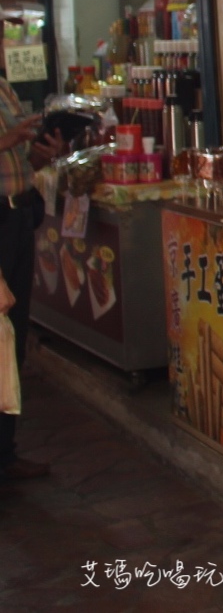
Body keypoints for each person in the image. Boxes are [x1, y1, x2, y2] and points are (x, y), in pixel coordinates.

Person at [0, 66, 64, 481]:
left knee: (14, 337)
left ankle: (5, 452)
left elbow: (17, 158)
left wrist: (39, 155)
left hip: (17, 216)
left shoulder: (3, 86)